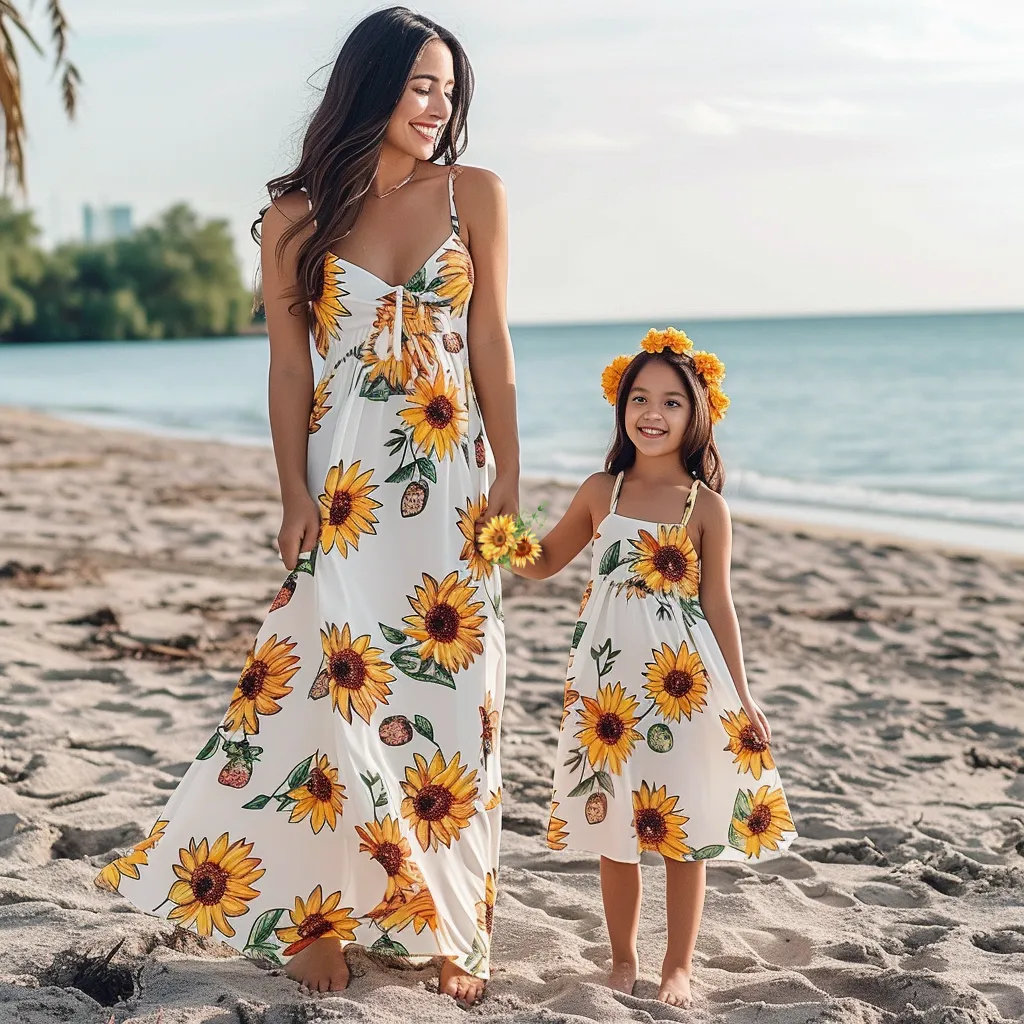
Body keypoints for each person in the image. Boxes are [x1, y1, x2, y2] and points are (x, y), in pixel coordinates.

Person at [95, 7, 517, 1006]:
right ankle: (321, 915)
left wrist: (509, 469)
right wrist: (289, 489)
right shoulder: (295, 215)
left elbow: (492, 339)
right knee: (330, 692)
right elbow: (290, 368)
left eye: (448, 91)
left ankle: (454, 926)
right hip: (346, 489)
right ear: (370, 87)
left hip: (452, 486)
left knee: (458, 698)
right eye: (420, 84)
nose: (436, 107)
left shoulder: (476, 196)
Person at [510, 328, 796, 1007]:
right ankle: (620, 959)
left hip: (684, 686)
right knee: (616, 828)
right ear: (620, 407)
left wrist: (744, 696)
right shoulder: (600, 492)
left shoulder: (706, 507)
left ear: (697, 414)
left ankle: (678, 967)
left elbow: (719, 606)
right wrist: (495, 535)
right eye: (640, 398)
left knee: (682, 830)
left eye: (671, 402)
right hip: (606, 685)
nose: (653, 414)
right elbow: (544, 561)